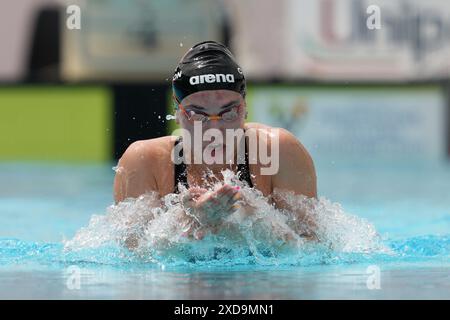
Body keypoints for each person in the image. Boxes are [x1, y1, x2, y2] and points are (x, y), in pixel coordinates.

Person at [113, 41, 317, 247]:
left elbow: (316, 248)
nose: (214, 130)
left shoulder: (280, 150)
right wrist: (187, 221)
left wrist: (255, 220)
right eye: (197, 114)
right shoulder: (145, 161)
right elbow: (132, 254)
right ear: (177, 113)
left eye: (228, 113)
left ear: (244, 108)